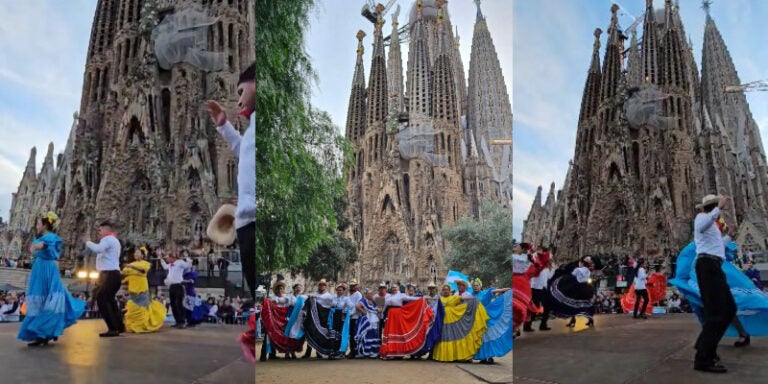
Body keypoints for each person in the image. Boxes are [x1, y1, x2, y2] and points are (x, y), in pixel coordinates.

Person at [206, 62, 255, 299]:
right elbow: (241, 149)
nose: (239, 101)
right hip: (244, 222)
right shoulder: (251, 132)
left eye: (241, 91)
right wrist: (224, 125)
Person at [18, 212, 85, 346]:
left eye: (38, 224)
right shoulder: (42, 237)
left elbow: (45, 246)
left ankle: (47, 331)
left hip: (47, 269)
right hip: (39, 269)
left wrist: (37, 246)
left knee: (47, 299)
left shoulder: (51, 237)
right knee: (39, 300)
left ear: (45, 224)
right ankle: (41, 334)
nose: (36, 226)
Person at [692, 194, 734, 373]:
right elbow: (702, 226)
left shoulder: (714, 227)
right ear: (713, 206)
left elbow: (717, 246)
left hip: (714, 265)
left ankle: (703, 345)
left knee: (729, 309)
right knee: (717, 313)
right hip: (707, 266)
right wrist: (719, 209)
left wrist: (730, 236)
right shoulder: (702, 218)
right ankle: (703, 359)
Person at [84, 221, 124, 337]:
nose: (98, 233)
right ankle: (119, 326)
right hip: (112, 274)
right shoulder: (114, 241)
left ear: (107, 230)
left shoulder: (108, 240)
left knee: (102, 299)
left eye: (100, 230)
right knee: (110, 300)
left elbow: (98, 249)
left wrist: (87, 241)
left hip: (110, 274)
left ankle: (112, 327)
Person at [121, 246, 166, 333]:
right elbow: (124, 273)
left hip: (142, 288)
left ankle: (143, 325)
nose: (136, 254)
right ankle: (134, 325)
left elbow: (142, 271)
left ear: (142, 255)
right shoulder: (131, 264)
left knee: (142, 307)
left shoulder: (145, 263)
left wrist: (132, 267)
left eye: (138, 253)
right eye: (135, 253)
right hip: (133, 288)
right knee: (132, 307)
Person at [158, 250, 191, 329]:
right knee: (173, 304)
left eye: (169, 257)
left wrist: (187, 258)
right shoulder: (170, 265)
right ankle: (177, 321)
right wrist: (161, 259)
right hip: (171, 286)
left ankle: (182, 321)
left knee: (178, 304)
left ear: (173, 257)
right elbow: (165, 266)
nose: (167, 259)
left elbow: (188, 266)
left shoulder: (180, 262)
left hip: (178, 285)